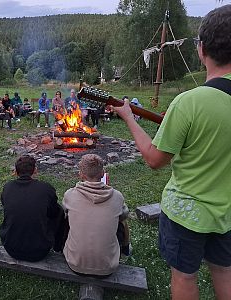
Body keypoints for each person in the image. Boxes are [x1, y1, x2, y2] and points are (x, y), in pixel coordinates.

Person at [114, 5, 231, 299]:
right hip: (229, 213)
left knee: (184, 276)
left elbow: (154, 159)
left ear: (201, 49)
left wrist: (129, 118)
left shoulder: (189, 102)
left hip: (186, 214)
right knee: (226, 272)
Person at [62, 154, 130, 276]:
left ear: (81, 174)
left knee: (69, 218)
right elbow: (125, 215)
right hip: (107, 267)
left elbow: (63, 213)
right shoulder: (117, 197)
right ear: (103, 173)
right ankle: (125, 249)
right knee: (122, 221)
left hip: (75, 263)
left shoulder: (70, 195)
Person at [0, 155, 64, 262]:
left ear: (16, 171)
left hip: (10, 247)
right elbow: (53, 212)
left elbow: (5, 205)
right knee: (59, 210)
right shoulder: (46, 188)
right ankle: (57, 246)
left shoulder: (8, 187)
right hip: (40, 252)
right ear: (35, 170)